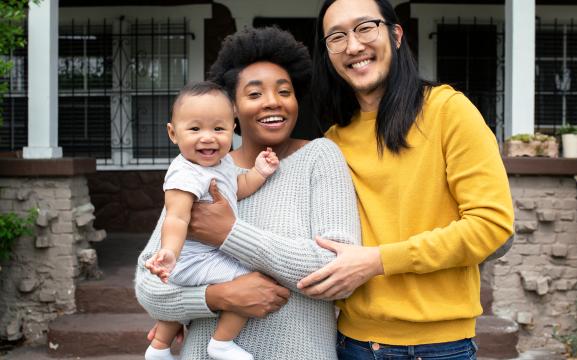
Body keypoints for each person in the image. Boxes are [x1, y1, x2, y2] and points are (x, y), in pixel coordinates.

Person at [296, 0, 515, 359]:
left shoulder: (448, 111)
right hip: (355, 344)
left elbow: (491, 225)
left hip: (441, 347)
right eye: (336, 37)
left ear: (395, 35)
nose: (353, 46)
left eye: (365, 28)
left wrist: (377, 261)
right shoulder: (333, 142)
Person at [134, 26, 361, 360]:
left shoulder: (320, 157)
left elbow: (338, 272)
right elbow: (150, 285)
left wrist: (230, 233)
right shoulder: (203, 170)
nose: (273, 102)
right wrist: (219, 297)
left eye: (285, 92)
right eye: (254, 94)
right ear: (233, 109)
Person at [143, 81, 280, 360]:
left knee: (187, 289)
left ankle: (158, 348)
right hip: (191, 259)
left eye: (219, 129)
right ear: (173, 133)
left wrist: (259, 172)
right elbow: (177, 218)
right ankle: (221, 342)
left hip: (201, 257)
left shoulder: (223, 163)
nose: (208, 137)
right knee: (246, 281)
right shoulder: (185, 175)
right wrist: (169, 252)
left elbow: (236, 188)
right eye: (195, 129)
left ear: (233, 130)